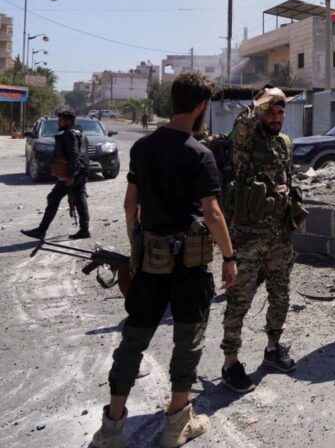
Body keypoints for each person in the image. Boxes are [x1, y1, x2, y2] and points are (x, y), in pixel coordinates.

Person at [90, 70, 236, 448]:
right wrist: (229, 257)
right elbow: (213, 212)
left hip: (150, 264)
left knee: (133, 341)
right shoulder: (199, 154)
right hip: (190, 267)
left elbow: (130, 206)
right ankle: (177, 424)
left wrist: (137, 250)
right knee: (187, 341)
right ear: (201, 105)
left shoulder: (143, 148)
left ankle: (111, 429)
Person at [220, 86, 305, 393]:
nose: (276, 117)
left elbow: (286, 178)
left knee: (280, 294)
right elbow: (243, 124)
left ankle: (272, 348)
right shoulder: (246, 139)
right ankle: (230, 362)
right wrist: (261, 102)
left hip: (279, 235)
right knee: (239, 300)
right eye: (271, 111)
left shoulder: (285, 143)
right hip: (247, 236)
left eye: (281, 111)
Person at [22, 107, 91, 240]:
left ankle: (41, 230)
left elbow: (74, 154)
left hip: (73, 173)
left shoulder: (70, 134)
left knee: (53, 198)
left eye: (61, 120)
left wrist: (70, 175)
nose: (58, 122)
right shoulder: (80, 133)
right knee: (80, 199)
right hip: (81, 171)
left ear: (69, 121)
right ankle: (84, 230)